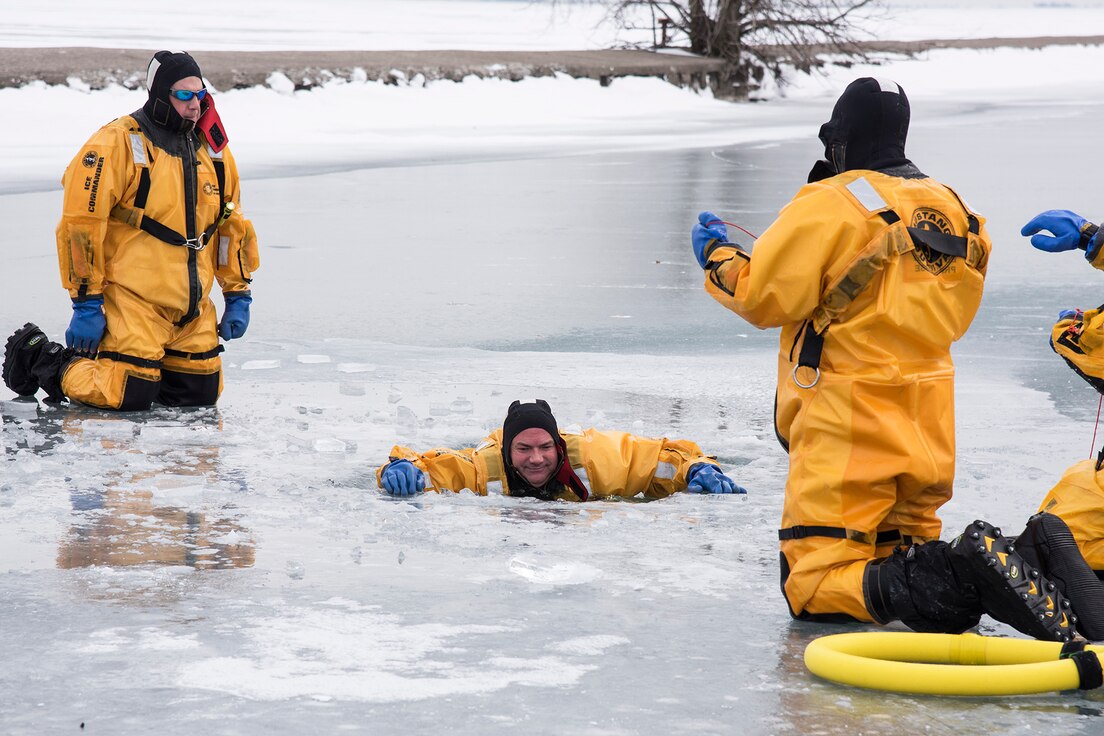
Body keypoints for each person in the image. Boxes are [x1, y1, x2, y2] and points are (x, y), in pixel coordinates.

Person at [690, 76, 1103, 643]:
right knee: (897, 566)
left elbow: (766, 296)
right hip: (928, 420)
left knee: (815, 584)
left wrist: (719, 258)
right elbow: (952, 311)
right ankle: (1033, 553)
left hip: (850, 420)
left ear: (840, 138)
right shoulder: (958, 209)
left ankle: (970, 569)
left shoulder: (832, 204)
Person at [2, 50, 259, 410]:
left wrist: (237, 292)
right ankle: (43, 358)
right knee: (126, 392)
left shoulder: (214, 153)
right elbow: (81, 225)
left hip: (191, 306)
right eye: (184, 94)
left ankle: (149, 366)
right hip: (133, 299)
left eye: (200, 94)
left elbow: (231, 226)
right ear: (160, 95)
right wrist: (86, 301)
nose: (195, 104)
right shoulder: (116, 143)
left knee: (200, 395)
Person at [377, 399, 744, 500]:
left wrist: (697, 469)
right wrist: (398, 470)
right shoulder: (481, 469)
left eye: (545, 447)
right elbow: (428, 468)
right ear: (506, 451)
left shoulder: (596, 457)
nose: (536, 458)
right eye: (523, 448)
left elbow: (658, 460)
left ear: (559, 445)